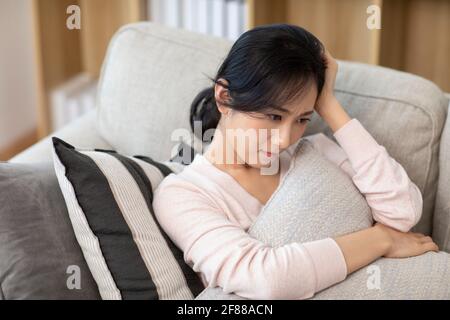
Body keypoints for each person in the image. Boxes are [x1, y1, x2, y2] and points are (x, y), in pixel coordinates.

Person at [153, 24, 439, 299]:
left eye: (302, 119)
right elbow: (266, 280)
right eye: (274, 117)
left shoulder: (315, 151)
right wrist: (381, 240)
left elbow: (402, 212)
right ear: (225, 98)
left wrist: (328, 105)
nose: (284, 139)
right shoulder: (183, 194)